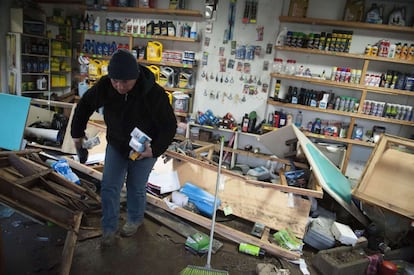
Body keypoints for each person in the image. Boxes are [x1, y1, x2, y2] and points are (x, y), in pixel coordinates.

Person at [71, 48, 177, 247]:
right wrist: (77, 134)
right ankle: (109, 229)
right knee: (110, 187)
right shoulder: (106, 86)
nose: (119, 86)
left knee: (136, 187)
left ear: (135, 77)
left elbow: (169, 126)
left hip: (145, 148)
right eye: (115, 81)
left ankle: (135, 219)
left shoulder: (154, 93)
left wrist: (154, 150)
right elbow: (84, 105)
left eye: (124, 82)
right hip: (117, 145)